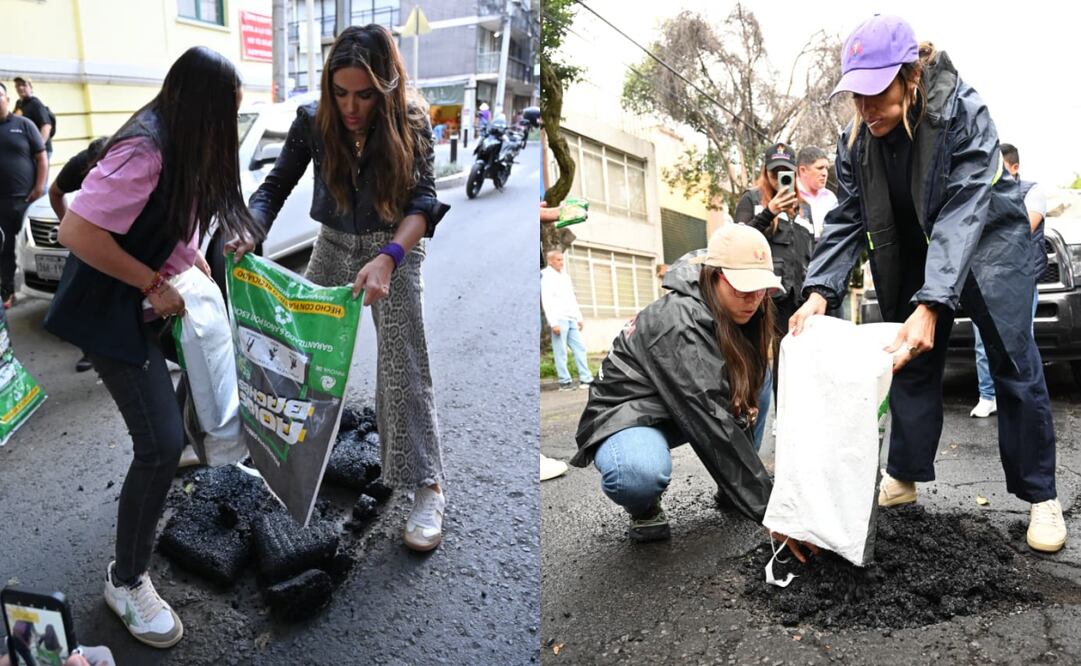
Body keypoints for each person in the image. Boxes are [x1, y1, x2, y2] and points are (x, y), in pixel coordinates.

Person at [789, 15, 1066, 553]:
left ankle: (1041, 495)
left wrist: (935, 301)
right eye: (856, 96)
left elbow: (965, 207)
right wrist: (820, 290)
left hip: (988, 242)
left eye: (876, 93)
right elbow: (848, 216)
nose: (866, 109)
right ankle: (905, 476)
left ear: (908, 77)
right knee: (908, 359)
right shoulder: (857, 141)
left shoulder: (962, 110)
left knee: (1013, 361)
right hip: (912, 248)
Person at [44, 46, 260, 647]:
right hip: (113, 311)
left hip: (153, 298)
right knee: (159, 446)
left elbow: (173, 225)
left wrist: (197, 266)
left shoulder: (186, 143)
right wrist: (150, 283)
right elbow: (76, 229)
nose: (228, 131)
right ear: (199, 107)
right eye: (226, 115)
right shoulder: (145, 148)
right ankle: (127, 580)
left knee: (218, 355)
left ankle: (202, 439)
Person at [237, 25, 450, 552]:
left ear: (385, 87)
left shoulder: (412, 121)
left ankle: (427, 485)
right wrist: (251, 227)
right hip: (333, 242)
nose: (351, 107)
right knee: (296, 348)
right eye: (341, 93)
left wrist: (389, 258)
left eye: (363, 95)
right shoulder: (314, 120)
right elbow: (275, 185)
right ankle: (280, 457)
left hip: (393, 245)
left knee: (402, 363)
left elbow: (423, 204)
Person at [572, 225, 815, 560]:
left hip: (680, 402)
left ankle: (734, 489)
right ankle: (644, 507)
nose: (753, 300)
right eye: (742, 289)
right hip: (627, 412)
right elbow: (711, 420)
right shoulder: (679, 321)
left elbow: (721, 402)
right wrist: (772, 511)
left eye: (760, 289)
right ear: (713, 277)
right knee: (637, 473)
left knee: (759, 376)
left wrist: (744, 489)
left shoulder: (747, 308)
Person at [970, 142, 1045, 418]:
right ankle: (987, 395)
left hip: (1020, 281)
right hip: (987, 280)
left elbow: (1021, 227)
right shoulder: (982, 194)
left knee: (1022, 341)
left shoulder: (1032, 191)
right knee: (981, 341)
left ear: (1014, 168)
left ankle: (1022, 398)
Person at [734, 142, 814, 398]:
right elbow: (738, 241)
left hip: (795, 298)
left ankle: (785, 417)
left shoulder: (804, 209)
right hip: (760, 296)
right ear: (765, 172)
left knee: (790, 362)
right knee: (752, 359)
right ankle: (747, 411)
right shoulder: (752, 200)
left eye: (786, 172)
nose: (780, 178)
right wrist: (770, 212)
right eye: (774, 172)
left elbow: (810, 253)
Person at [47, 136, 108, 373]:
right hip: (88, 225)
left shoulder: (131, 161)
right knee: (84, 289)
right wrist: (69, 229)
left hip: (121, 226)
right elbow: (54, 192)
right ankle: (91, 351)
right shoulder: (79, 164)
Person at [0, 81, 47, 309]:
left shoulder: (24, 124)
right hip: (1, 204)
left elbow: (41, 158)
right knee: (5, 249)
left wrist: (39, 188)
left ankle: (57, 289)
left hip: (28, 200)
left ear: (7, 100)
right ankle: (7, 291)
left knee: (41, 247)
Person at [541, 249, 593, 391]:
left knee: (580, 348)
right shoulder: (546, 276)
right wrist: (553, 323)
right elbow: (547, 300)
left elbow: (571, 298)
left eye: (562, 259)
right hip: (559, 319)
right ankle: (565, 382)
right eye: (558, 260)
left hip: (571, 318)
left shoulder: (565, 276)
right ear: (551, 261)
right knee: (561, 352)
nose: (561, 263)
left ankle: (586, 379)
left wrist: (579, 317)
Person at [796, 146, 838, 241]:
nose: (825, 173)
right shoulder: (791, 195)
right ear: (803, 170)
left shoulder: (830, 198)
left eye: (826, 168)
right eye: (820, 168)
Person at [13, 77, 54, 159]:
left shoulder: (35, 104)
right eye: (18, 85)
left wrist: (39, 148)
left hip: (41, 151)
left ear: (30, 87)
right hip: (27, 150)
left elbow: (46, 126)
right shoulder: (19, 104)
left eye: (24, 85)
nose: (20, 87)